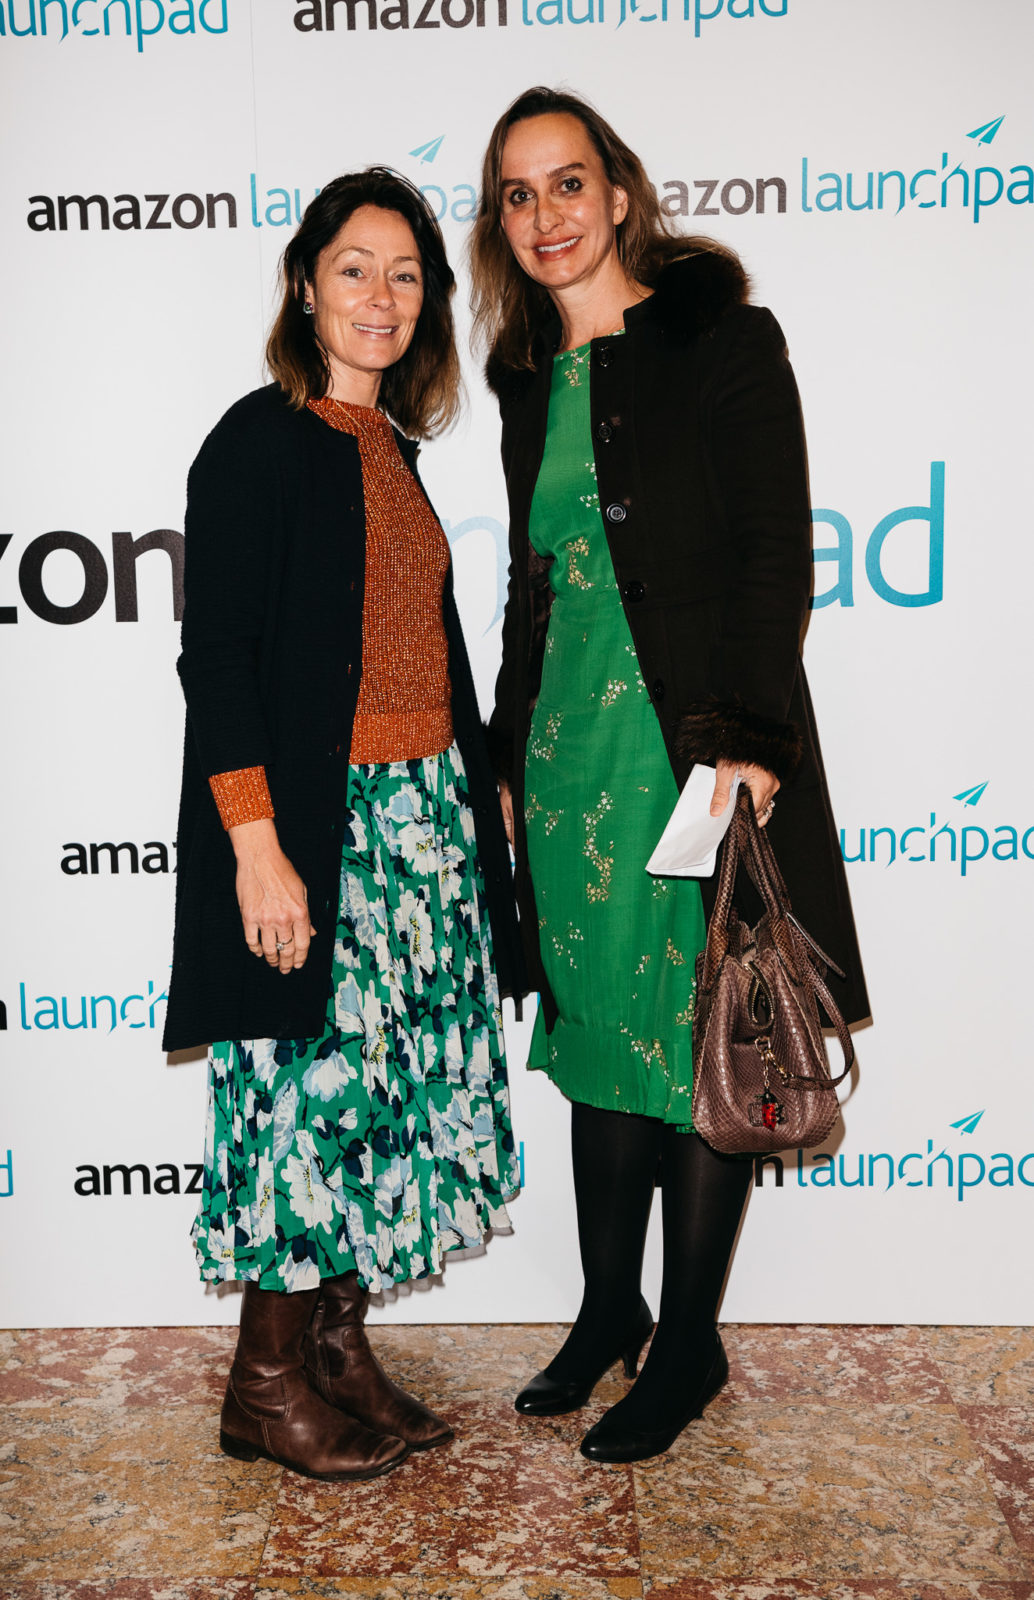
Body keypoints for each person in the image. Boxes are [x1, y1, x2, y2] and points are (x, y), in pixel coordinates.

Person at [470, 87, 870, 1465]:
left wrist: (751, 741)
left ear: (620, 192)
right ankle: (609, 1311)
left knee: (693, 1030)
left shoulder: (722, 339)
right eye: (517, 194)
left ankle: (688, 1339)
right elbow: (531, 587)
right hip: (567, 760)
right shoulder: (527, 377)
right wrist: (504, 750)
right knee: (597, 1043)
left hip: (688, 750)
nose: (546, 215)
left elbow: (774, 553)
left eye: (567, 182)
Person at [162, 168, 524, 1482]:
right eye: (355, 268)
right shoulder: (255, 443)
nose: (382, 296)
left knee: (387, 1102)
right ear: (305, 287)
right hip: (319, 830)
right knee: (302, 1102)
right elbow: (220, 664)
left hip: (419, 823)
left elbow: (421, 647)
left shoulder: (393, 450)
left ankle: (336, 1351)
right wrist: (257, 849)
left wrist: (477, 785)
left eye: (406, 274)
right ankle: (263, 1386)